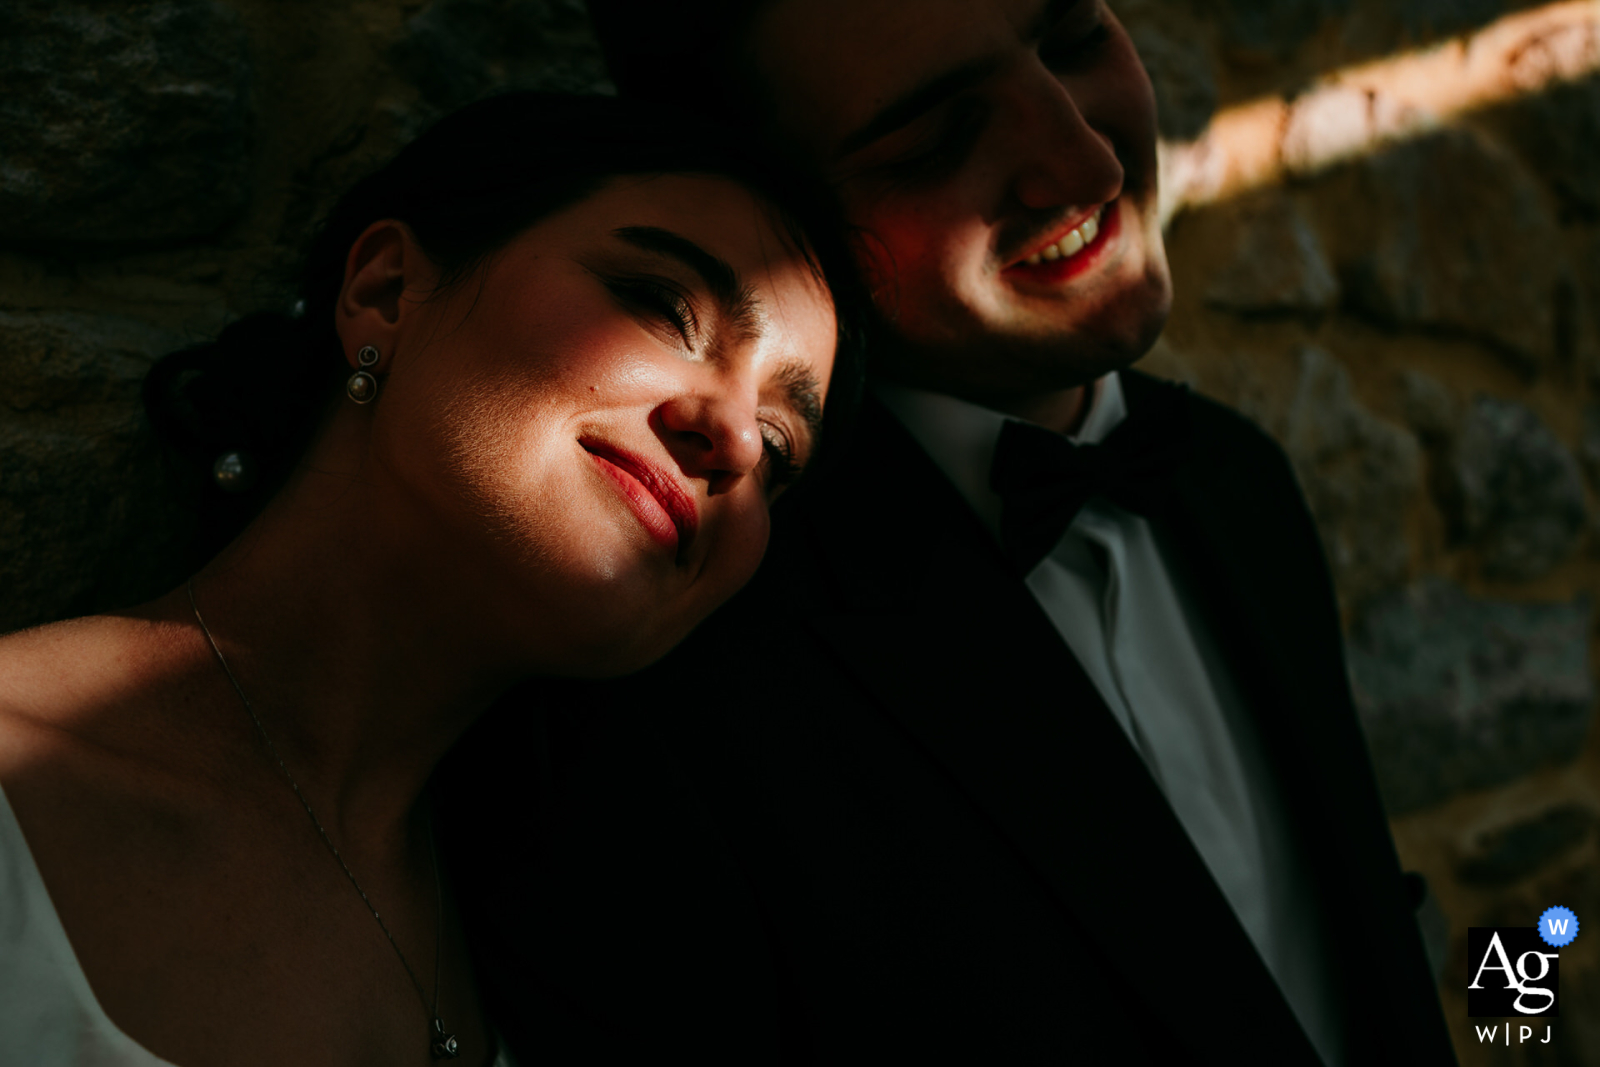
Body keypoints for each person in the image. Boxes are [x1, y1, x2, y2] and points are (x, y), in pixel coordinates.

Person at [440, 3, 1459, 1065]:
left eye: (1072, 41)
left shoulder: (1237, 476)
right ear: (787, 221)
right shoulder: (685, 664)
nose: (1081, 156)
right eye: (935, 139)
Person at [0, 91, 854, 1067]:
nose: (737, 438)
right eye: (664, 306)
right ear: (388, 291)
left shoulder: (585, 968)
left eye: (781, 450)